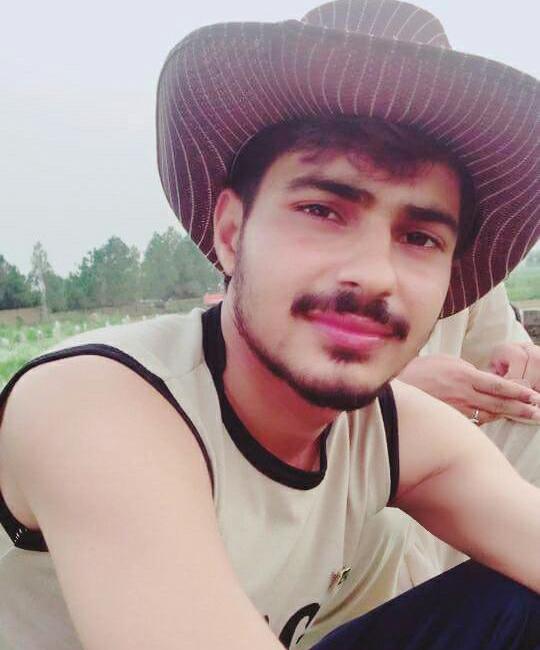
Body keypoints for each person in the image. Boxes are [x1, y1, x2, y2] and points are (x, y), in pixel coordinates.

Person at [0, 2, 539, 649]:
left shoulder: (391, 432)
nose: (375, 275)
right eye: (322, 210)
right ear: (231, 234)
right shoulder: (95, 402)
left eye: (419, 237)